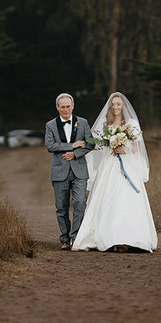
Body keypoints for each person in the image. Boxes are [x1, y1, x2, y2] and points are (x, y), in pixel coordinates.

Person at [71, 92, 157, 253]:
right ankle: (110, 236)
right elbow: (101, 145)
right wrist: (88, 146)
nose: (116, 107)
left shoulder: (131, 123)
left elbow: (138, 145)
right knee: (108, 197)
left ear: (123, 106)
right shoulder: (106, 124)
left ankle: (131, 237)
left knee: (127, 198)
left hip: (127, 164)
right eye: (113, 104)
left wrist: (126, 148)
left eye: (118, 104)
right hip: (109, 163)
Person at [45, 93, 94, 249]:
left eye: (68, 106)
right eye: (62, 107)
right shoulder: (50, 125)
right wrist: (71, 146)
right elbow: (50, 146)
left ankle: (76, 236)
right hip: (59, 171)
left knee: (80, 202)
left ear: (72, 107)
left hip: (79, 169)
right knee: (61, 207)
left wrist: (75, 154)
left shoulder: (83, 122)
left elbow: (90, 144)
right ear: (57, 108)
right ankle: (64, 238)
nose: (65, 110)